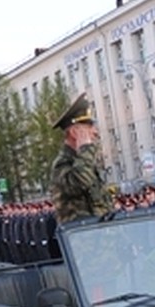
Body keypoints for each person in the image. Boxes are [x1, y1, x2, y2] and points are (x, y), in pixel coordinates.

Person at [49, 93, 113, 224]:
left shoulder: (83, 160)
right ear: (74, 133)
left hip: (101, 235)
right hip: (83, 239)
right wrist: (85, 148)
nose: (95, 132)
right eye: (89, 128)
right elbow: (80, 183)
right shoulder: (63, 163)